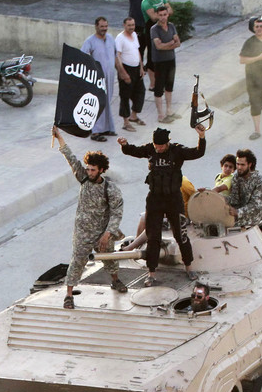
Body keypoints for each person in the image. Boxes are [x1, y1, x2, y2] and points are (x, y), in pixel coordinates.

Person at [118, 125, 206, 285]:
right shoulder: (150, 150)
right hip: (155, 199)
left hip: (174, 199)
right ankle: (151, 273)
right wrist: (124, 145)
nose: (158, 149)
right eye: (156, 146)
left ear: (167, 144)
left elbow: (198, 152)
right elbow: (135, 151)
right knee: (153, 237)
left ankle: (189, 267)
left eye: (161, 146)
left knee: (181, 235)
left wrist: (201, 137)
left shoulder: (177, 151)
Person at [52, 126, 127, 310]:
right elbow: (70, 157)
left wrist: (108, 233)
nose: (89, 172)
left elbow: (117, 211)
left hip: (102, 232)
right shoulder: (84, 178)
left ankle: (115, 281)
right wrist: (59, 137)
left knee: (109, 259)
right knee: (77, 261)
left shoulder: (110, 189)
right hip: (83, 232)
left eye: (93, 170)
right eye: (88, 168)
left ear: (101, 170)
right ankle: (69, 295)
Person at [120, 175, 196, 251]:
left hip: (182, 216)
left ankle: (130, 247)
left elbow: (196, 197)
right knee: (144, 217)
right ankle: (137, 243)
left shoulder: (184, 182)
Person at [82, 17, 118, 142]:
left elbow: (115, 56)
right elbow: (83, 59)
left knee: (107, 101)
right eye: (102, 26)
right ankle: (95, 131)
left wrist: (123, 72)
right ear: (96, 26)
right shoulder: (90, 41)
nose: (104, 29)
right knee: (97, 103)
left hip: (110, 76)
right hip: (96, 78)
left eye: (106, 26)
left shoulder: (111, 39)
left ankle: (107, 128)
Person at [150, 5, 181, 123]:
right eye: (160, 15)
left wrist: (167, 44)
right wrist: (172, 43)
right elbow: (158, 46)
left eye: (165, 14)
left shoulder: (171, 26)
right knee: (159, 88)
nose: (163, 17)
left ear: (168, 14)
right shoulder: (154, 29)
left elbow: (178, 42)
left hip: (171, 60)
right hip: (159, 62)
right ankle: (160, 115)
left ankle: (169, 111)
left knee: (169, 86)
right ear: (157, 15)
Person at [115, 17, 147, 132]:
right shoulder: (120, 38)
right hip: (126, 68)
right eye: (129, 25)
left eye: (133, 25)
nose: (131, 27)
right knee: (125, 95)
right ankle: (126, 122)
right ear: (124, 25)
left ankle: (134, 116)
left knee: (140, 92)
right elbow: (117, 56)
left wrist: (141, 67)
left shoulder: (134, 35)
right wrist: (123, 73)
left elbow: (137, 51)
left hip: (136, 68)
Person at [140, 0, 172, 92]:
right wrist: (164, 14)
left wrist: (162, 15)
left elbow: (170, 10)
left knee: (163, 55)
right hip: (151, 31)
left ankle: (162, 80)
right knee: (151, 57)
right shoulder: (146, 2)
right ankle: (153, 84)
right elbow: (153, 17)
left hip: (162, 29)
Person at [227, 149, 262, 227]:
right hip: (238, 214)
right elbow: (234, 200)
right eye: (237, 164)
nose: (239, 167)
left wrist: (237, 212)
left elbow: (256, 207)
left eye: (242, 165)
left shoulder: (261, 182)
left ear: (250, 164)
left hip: (252, 219)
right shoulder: (237, 178)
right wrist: (217, 198)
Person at [126, 0, 149, 64]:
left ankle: (142, 68)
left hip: (145, 24)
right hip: (136, 25)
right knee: (136, 49)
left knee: (143, 47)